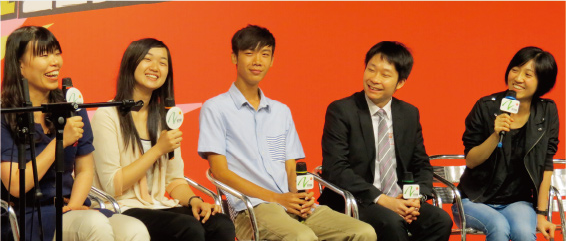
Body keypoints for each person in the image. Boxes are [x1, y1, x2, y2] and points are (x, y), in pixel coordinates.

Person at [198, 24, 377, 241]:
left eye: (265, 54)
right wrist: (277, 198)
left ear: (272, 61)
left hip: (290, 204)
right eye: (249, 53)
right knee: (302, 237)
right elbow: (220, 172)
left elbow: (291, 168)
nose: (257, 61)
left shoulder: (281, 111)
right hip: (251, 210)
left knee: (363, 232)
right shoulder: (215, 108)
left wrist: (300, 196)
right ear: (234, 58)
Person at [0, 26, 149, 241]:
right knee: (94, 226)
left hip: (71, 206)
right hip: (30, 215)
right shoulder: (5, 115)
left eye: (56, 53)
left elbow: (85, 169)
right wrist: (59, 142)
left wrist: (75, 205)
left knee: (134, 229)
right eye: (43, 55)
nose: (55, 61)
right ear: (20, 66)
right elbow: (16, 185)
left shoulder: (72, 106)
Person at [91, 38, 235, 241]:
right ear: (131, 64)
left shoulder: (164, 118)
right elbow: (113, 186)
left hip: (157, 206)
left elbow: (174, 180)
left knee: (220, 224)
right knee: (188, 228)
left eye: (163, 62)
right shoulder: (107, 115)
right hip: (121, 208)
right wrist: (157, 150)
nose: (155, 67)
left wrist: (194, 200)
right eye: (147, 59)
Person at [318, 41, 453, 241]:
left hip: (400, 199)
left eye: (385, 74)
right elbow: (335, 168)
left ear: (400, 82)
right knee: (391, 222)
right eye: (371, 70)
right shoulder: (342, 111)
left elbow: (421, 164)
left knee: (440, 220)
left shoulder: (408, 113)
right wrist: (383, 200)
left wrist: (416, 198)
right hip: (357, 200)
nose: (374, 79)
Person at [453, 46, 559, 241]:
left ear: (542, 82)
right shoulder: (486, 106)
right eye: (515, 70)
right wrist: (495, 135)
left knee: (524, 234)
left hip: (517, 202)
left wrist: (542, 214)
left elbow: (545, 165)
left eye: (528, 74)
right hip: (474, 199)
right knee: (499, 227)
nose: (518, 78)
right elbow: (471, 161)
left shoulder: (547, 112)